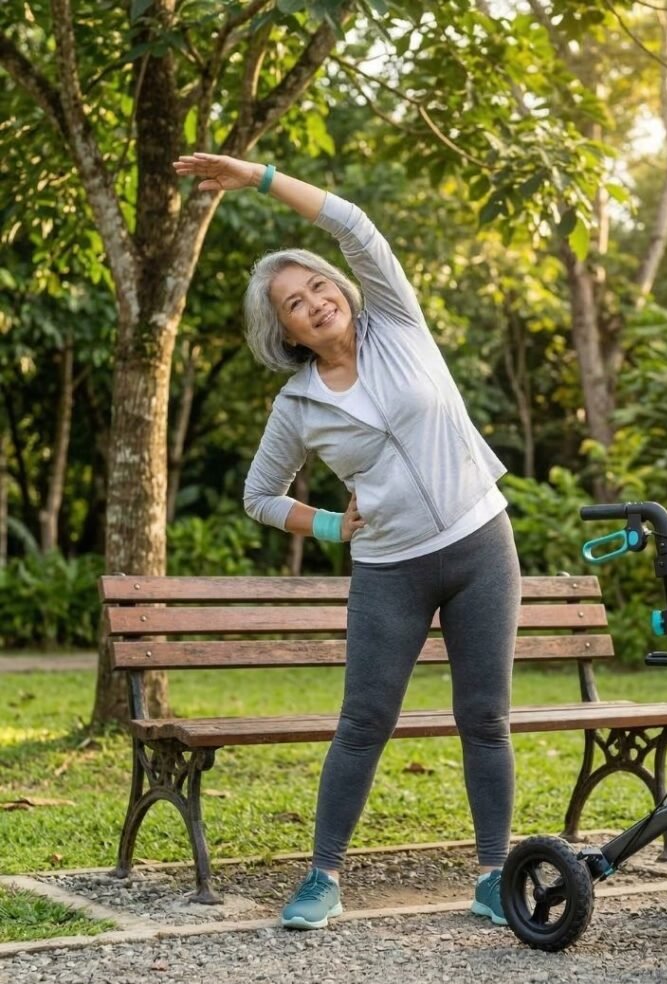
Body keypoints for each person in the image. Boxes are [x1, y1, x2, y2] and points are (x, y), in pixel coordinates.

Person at [172, 152, 521, 930]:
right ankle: (323, 876)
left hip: (478, 543)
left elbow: (353, 225)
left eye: (320, 285)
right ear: (287, 331)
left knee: (485, 717)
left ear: (343, 291)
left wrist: (256, 178)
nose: (316, 302)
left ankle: (496, 873)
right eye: (295, 303)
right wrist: (327, 524)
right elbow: (258, 496)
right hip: (390, 569)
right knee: (363, 720)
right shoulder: (297, 406)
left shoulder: (397, 322)